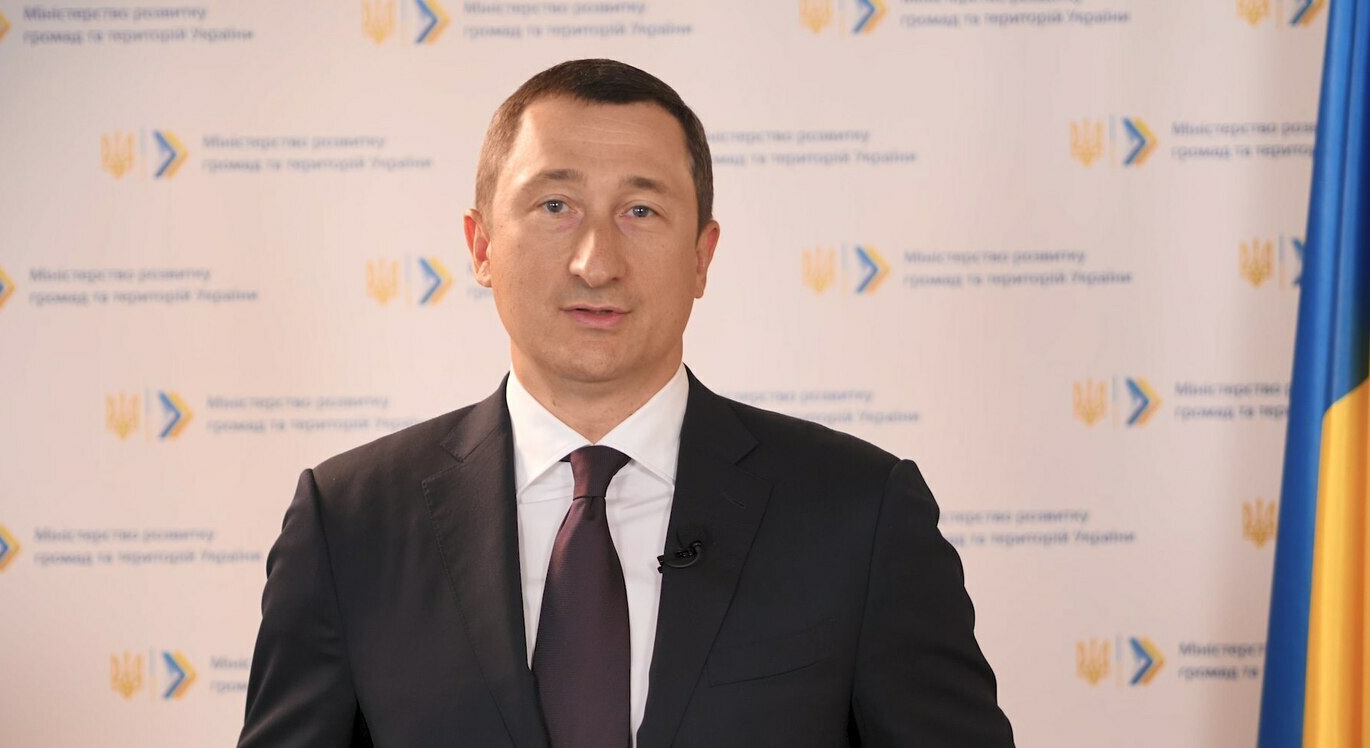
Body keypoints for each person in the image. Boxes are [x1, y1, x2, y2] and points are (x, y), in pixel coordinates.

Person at [239, 58, 1014, 748]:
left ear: (703, 256)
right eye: (555, 206)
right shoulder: (348, 523)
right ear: (480, 247)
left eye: (641, 211)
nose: (596, 262)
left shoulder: (861, 512)